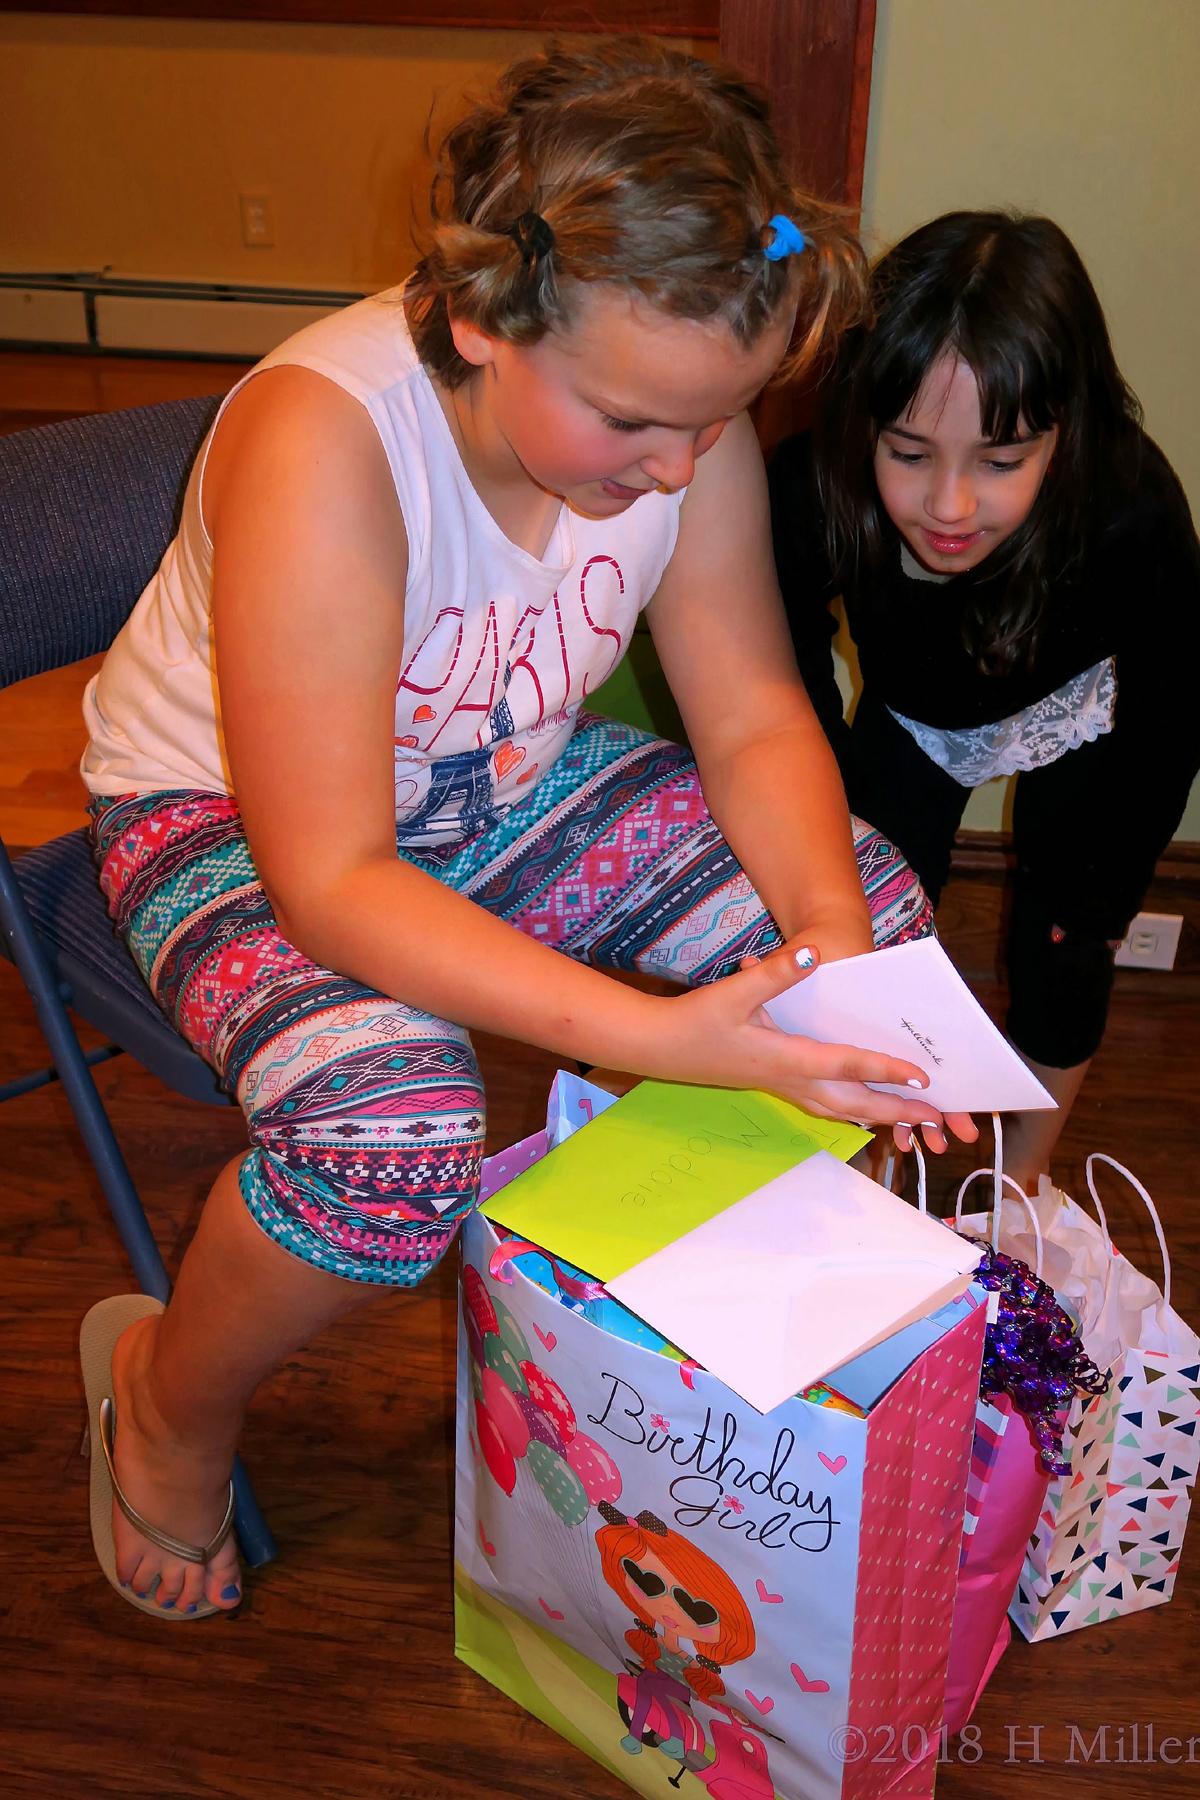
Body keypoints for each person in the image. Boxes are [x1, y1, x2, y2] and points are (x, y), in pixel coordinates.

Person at [79, 39, 972, 1620]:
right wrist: (673, 1037)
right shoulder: (327, 443)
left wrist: (831, 959)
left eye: (723, 423)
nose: (685, 470)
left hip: (489, 783)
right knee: (395, 1137)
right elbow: (337, 878)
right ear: (484, 319)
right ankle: (163, 1393)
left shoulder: (672, 408)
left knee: (864, 925)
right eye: (641, 423)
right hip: (228, 816)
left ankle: (685, 1349)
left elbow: (757, 710)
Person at [770, 211, 1200, 1197]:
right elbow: (780, 654)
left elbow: (1176, 699)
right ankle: (871, 1173)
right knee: (859, 939)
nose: (950, 507)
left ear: (1067, 433)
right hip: (912, 718)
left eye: (1001, 463)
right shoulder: (814, 482)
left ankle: (1017, 1188)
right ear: (864, 423)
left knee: (1065, 947)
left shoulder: (1128, 500)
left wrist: (1106, 886)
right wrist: (824, 797)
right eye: (910, 454)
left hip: (1077, 712)